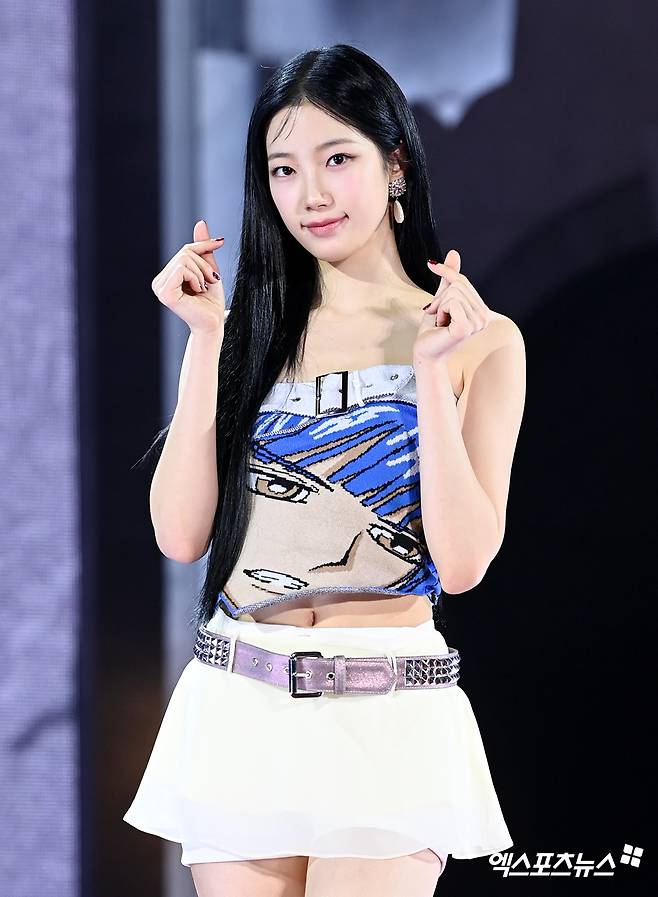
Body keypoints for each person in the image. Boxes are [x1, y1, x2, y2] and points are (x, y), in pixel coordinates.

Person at [123, 43, 526, 897]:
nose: (309, 194)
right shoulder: (246, 330)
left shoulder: (481, 340)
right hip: (240, 701)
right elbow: (181, 534)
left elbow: (462, 562)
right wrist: (206, 340)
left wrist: (429, 374)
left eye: (337, 158)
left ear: (394, 164)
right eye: (283, 169)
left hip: (388, 714)